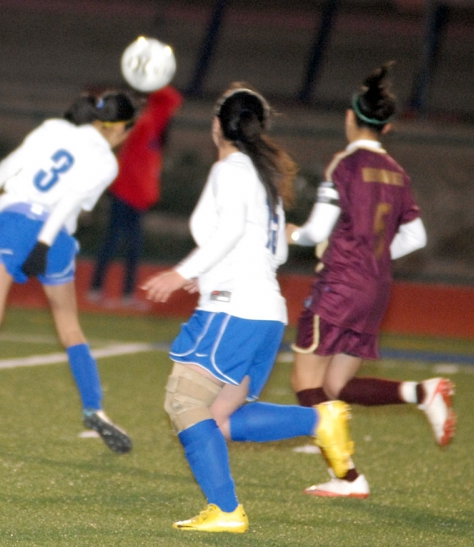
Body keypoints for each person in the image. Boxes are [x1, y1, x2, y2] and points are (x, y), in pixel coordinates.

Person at [142, 84, 355, 533]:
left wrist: (182, 274)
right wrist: (209, 273)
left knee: (184, 402)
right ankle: (321, 420)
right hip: (265, 313)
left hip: (233, 310)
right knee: (219, 418)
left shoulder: (231, 170)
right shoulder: (262, 180)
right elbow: (273, 252)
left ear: (218, 125)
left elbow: (231, 233)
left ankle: (225, 509)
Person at [286, 62, 456, 498]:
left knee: (306, 383)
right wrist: (375, 256)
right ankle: (423, 392)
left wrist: (292, 234)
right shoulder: (397, 173)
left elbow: (315, 232)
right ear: (388, 126)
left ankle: (348, 478)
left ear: (350, 116)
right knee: (337, 386)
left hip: (340, 285)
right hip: (376, 288)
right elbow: (415, 236)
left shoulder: (345, 164)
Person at [0, 90, 137, 454]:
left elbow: (12, 163)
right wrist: (43, 243)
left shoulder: (54, 128)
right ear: (123, 129)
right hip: (53, 236)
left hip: (11, 220)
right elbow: (69, 198)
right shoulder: (106, 162)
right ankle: (93, 408)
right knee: (69, 327)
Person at [88, 85, 183, 309]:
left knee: (130, 247)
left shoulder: (152, 131)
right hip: (125, 193)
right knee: (114, 243)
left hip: (136, 197)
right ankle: (98, 290)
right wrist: (156, 81)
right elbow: (171, 99)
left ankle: (121, 293)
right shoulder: (147, 123)